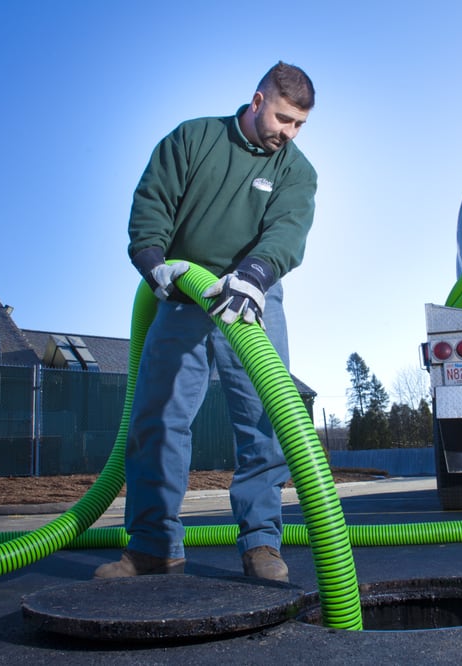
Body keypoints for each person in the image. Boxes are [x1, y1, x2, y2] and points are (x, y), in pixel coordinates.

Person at [94, 62, 316, 583]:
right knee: (158, 419)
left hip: (250, 296)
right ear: (257, 100)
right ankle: (153, 545)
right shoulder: (193, 139)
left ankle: (261, 544)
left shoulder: (296, 169)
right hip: (183, 294)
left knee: (265, 420)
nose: (289, 133)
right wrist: (155, 265)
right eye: (283, 119)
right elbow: (150, 207)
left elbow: (288, 230)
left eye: (300, 125)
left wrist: (255, 275)